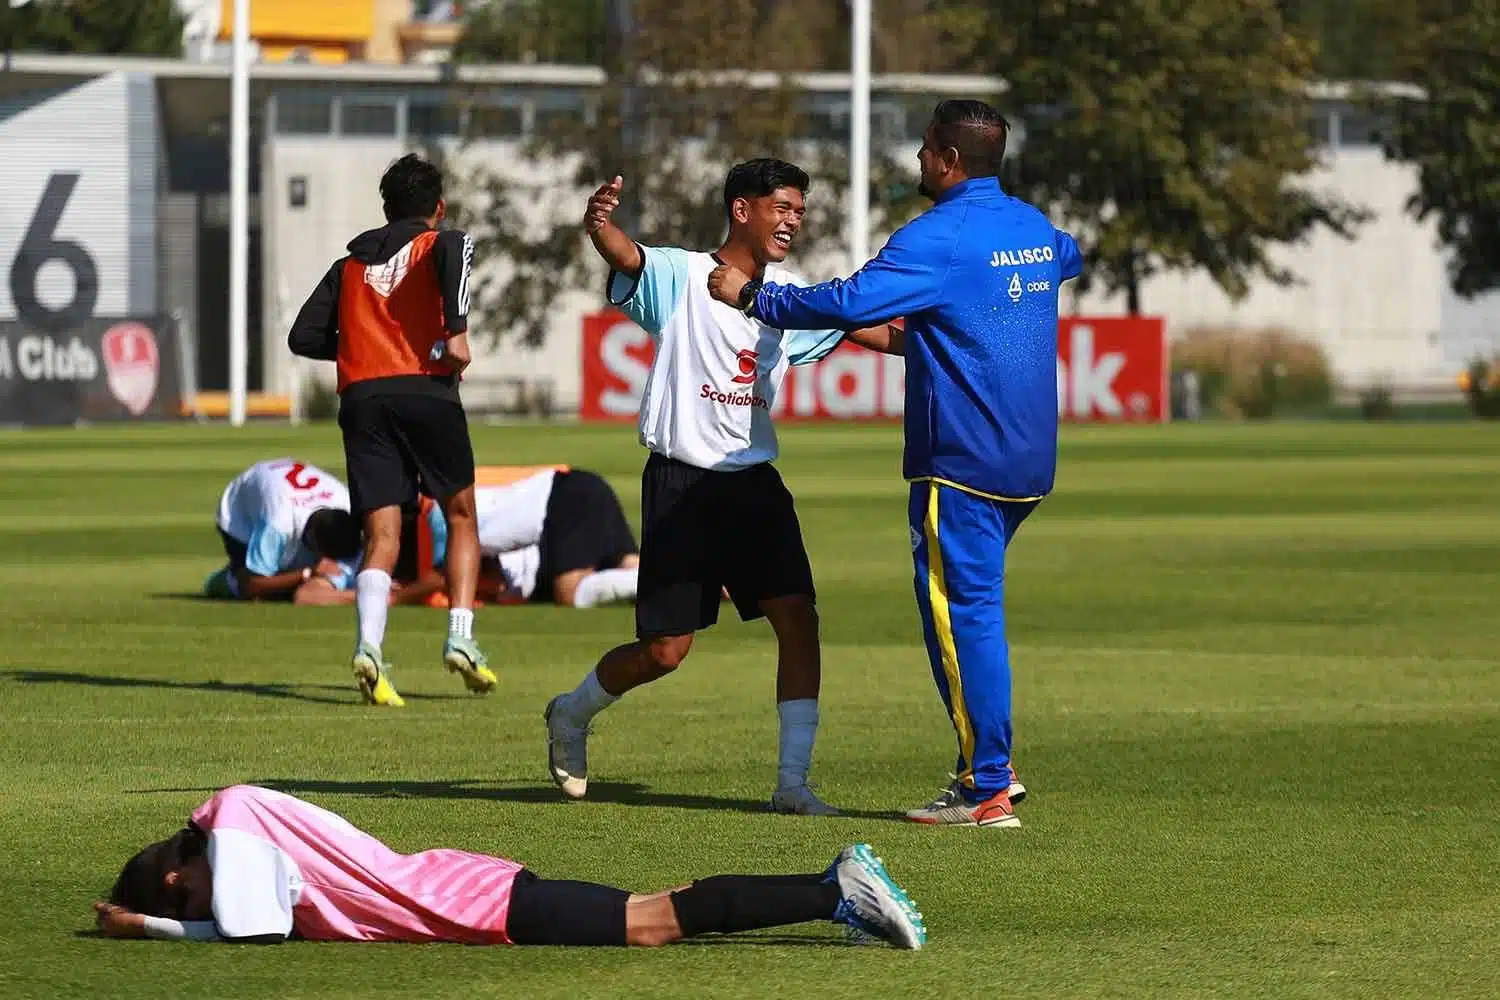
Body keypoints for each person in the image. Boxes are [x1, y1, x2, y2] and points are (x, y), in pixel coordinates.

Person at [707, 100, 1084, 828]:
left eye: (923, 149)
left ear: (946, 157)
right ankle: (987, 768)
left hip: (962, 460)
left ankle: (987, 787)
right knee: (979, 612)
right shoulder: (1034, 229)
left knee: (962, 617)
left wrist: (755, 296)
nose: (916, 159)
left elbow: (849, 297)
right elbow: (1063, 259)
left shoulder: (937, 238)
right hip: (1029, 459)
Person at [543, 160, 894, 817]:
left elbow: (874, 330)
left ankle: (792, 786)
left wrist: (951, 329)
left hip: (753, 483)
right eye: (781, 206)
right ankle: (571, 712)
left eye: (799, 208)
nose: (794, 219)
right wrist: (599, 227)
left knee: (799, 619)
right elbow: (625, 253)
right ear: (742, 209)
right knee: (666, 651)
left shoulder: (789, 293)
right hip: (682, 484)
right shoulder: (679, 275)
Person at [93, 784, 927, 950]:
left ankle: (832, 891)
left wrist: (152, 929)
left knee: (652, 920)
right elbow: (250, 913)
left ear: (176, 874)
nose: (199, 901)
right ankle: (831, 891)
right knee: (651, 920)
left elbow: (249, 931)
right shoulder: (237, 834)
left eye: (185, 896)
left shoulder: (231, 819)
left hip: (471, 901)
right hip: (464, 898)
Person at [287, 153, 495, 708]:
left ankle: (370, 650)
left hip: (362, 399)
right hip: (424, 391)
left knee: (380, 536)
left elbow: (302, 337)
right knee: (460, 514)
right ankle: (461, 637)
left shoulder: (347, 266)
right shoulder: (438, 243)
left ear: (385, 208)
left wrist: (358, 344)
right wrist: (455, 330)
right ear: (438, 208)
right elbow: (457, 246)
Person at [417, 466, 640, 610]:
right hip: (576, 487)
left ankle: (668, 581)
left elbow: (445, 572)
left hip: (561, 497)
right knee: (632, 567)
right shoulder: (449, 501)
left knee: (570, 593)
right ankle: (668, 583)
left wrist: (395, 599)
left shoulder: (440, 511)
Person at [206, 458, 362, 603]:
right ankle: (226, 580)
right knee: (264, 590)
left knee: (294, 573)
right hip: (239, 514)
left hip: (282, 490)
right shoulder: (278, 525)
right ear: (315, 546)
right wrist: (307, 572)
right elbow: (253, 585)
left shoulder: (347, 502)